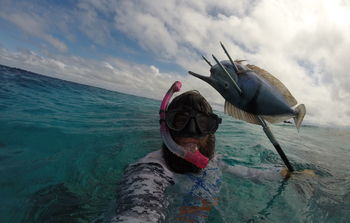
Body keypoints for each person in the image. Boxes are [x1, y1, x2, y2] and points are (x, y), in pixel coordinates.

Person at [109, 83, 313, 223]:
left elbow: (250, 173)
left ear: (212, 130)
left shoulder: (213, 161)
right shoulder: (150, 171)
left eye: (202, 124)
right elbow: (138, 210)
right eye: (180, 122)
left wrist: (288, 175)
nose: (192, 132)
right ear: (167, 128)